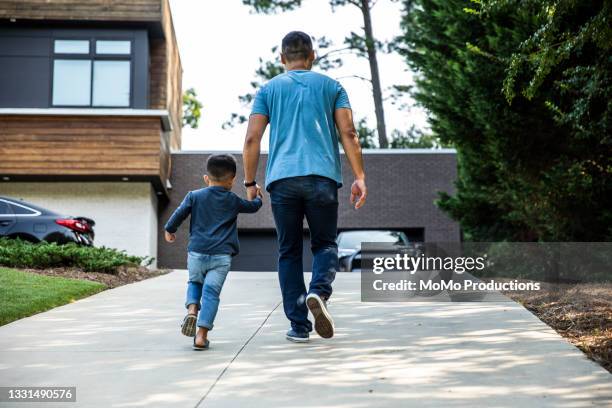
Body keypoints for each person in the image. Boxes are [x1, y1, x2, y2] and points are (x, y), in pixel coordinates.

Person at [242, 31, 367, 343]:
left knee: (289, 252)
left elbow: (251, 139)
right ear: (312, 56)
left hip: (282, 181)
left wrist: (249, 182)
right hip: (322, 178)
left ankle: (299, 327)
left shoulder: (268, 90)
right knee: (325, 244)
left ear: (282, 59)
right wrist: (360, 176)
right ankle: (319, 293)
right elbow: (349, 133)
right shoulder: (332, 86)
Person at [164, 154, 262, 350]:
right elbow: (253, 207)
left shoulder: (194, 196)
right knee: (211, 293)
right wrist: (257, 196)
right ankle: (201, 336)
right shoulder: (233, 199)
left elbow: (179, 214)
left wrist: (169, 229)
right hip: (221, 257)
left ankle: (192, 310)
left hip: (197, 253)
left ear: (206, 178)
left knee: (194, 282)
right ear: (232, 180)